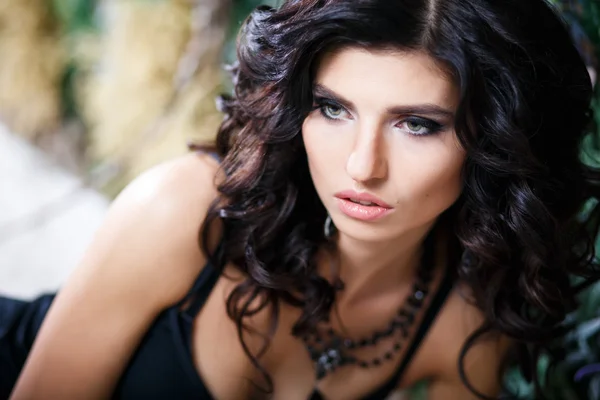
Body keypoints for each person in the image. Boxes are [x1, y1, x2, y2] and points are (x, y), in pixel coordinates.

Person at [2, 0, 599, 399]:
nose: (363, 166)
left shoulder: (463, 321)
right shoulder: (183, 209)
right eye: (333, 108)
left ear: (494, 144)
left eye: (417, 124)